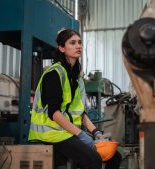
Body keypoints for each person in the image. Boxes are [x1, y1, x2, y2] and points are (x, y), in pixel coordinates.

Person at [28, 28, 121, 169]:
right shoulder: (54, 74)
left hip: (67, 132)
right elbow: (54, 113)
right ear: (61, 48)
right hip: (52, 133)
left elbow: (79, 111)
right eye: (72, 43)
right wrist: (81, 135)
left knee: (115, 156)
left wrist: (95, 132)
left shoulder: (76, 77)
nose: (78, 46)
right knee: (93, 159)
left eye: (79, 42)